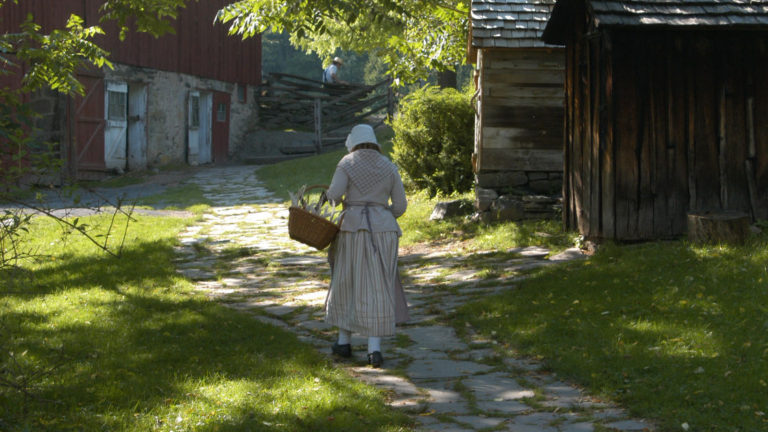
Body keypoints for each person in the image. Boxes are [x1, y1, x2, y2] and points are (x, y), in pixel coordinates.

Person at [324, 124, 408, 368]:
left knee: (347, 280)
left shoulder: (347, 163)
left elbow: (334, 195)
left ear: (354, 143)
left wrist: (340, 200)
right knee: (379, 284)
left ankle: (343, 342)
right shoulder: (389, 166)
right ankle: (374, 349)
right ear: (373, 142)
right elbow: (401, 206)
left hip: (353, 229)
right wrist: (383, 213)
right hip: (384, 230)